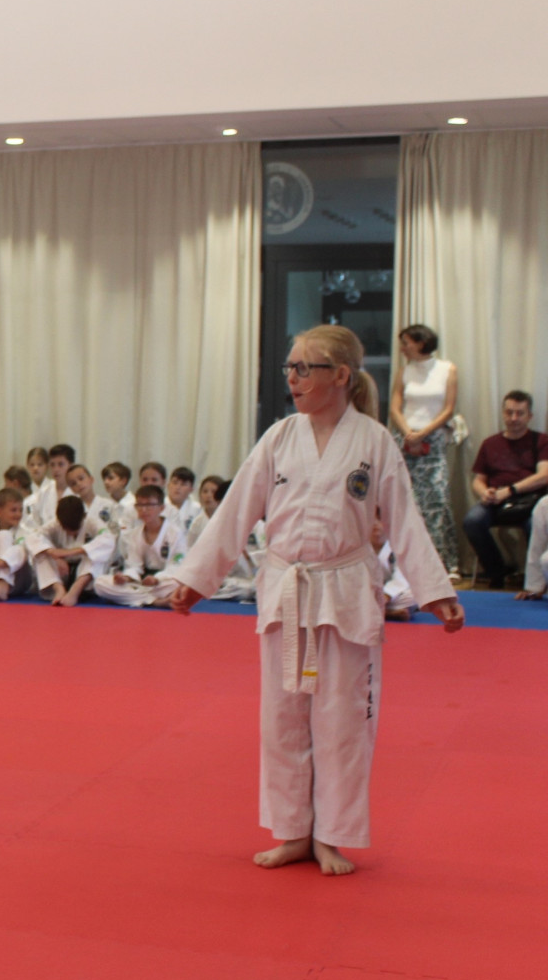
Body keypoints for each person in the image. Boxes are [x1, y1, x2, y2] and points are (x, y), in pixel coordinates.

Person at [168, 325, 464, 875]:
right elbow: (236, 511)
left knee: (342, 720)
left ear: (341, 376)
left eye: (305, 368)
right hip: (287, 587)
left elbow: (405, 517)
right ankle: (293, 831)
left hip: (346, 589)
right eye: (290, 368)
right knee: (282, 718)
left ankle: (333, 835)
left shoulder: (374, 441)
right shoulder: (279, 438)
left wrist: (434, 590)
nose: (293, 378)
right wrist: (197, 578)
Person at [388, 323, 460, 577]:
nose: (402, 348)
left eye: (406, 343)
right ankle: (406, 562)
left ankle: (443, 561)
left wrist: (423, 433)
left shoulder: (447, 369)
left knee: (437, 500)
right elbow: (395, 407)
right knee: (407, 500)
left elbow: (448, 409)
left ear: (421, 343)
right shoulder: (404, 371)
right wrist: (409, 433)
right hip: (406, 439)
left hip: (433, 439)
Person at [464, 391, 548, 588]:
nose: (514, 418)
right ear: (503, 413)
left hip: (530, 501)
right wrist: (484, 492)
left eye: (520, 413)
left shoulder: (541, 440)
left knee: (535, 526)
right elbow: (478, 480)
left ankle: (534, 580)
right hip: (496, 500)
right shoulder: (490, 443)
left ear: (529, 416)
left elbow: (544, 475)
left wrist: (510, 490)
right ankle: (497, 571)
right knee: (472, 521)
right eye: (509, 412)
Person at [92, 486, 185, 608]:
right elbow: (134, 565)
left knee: (178, 584)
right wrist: (126, 577)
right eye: (140, 505)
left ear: (161, 508)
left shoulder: (175, 533)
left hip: (163, 580)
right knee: (100, 583)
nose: (144, 510)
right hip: (142, 581)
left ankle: (136, 598)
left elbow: (177, 565)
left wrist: (157, 579)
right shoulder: (135, 534)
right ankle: (154, 600)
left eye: (149, 505)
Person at [33, 495, 94, 606]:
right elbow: (33, 537)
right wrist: (53, 554)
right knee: (39, 553)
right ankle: (59, 589)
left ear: (84, 516)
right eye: (67, 529)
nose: (71, 533)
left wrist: (70, 552)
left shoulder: (92, 523)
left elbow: (108, 540)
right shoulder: (54, 524)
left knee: (97, 554)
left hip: (84, 576)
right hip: (61, 573)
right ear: (59, 521)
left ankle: (75, 591)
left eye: (76, 528)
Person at [166, 467, 204, 543]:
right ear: (168, 485)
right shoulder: (158, 506)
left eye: (183, 484)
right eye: (175, 483)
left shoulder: (197, 509)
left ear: (191, 489)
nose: (178, 487)